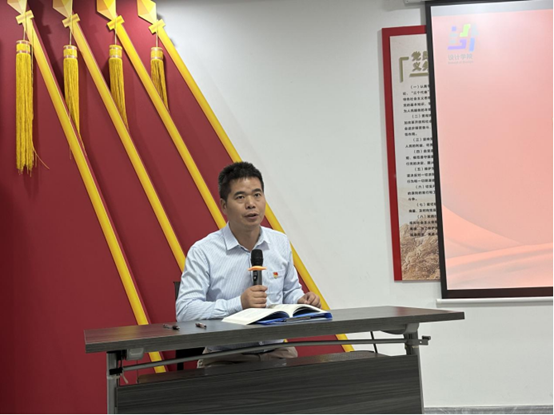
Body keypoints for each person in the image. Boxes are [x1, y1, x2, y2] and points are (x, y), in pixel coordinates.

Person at [176, 161, 321, 367]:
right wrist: (239, 304)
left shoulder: (280, 242)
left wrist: (302, 300)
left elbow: (290, 291)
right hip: (226, 357)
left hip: (278, 352)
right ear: (224, 206)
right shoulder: (203, 251)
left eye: (257, 195)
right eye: (240, 197)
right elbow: (185, 311)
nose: (251, 203)